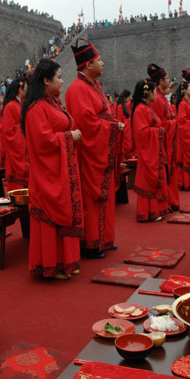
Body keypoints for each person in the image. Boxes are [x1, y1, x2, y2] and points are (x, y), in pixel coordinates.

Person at [21, 59, 83, 279]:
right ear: (47, 81)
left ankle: (66, 261)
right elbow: (42, 141)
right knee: (51, 214)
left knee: (63, 210)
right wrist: (69, 136)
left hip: (61, 168)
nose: (62, 81)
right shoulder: (37, 108)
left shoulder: (52, 103)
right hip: (48, 172)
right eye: (59, 77)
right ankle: (52, 263)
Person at [65, 38, 124, 258]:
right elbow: (87, 124)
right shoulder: (77, 89)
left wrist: (112, 124)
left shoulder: (94, 86)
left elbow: (103, 114)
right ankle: (92, 241)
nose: (103, 63)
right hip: (90, 152)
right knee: (92, 197)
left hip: (102, 147)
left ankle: (105, 238)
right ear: (88, 65)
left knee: (105, 198)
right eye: (99, 60)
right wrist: (111, 127)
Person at [130, 80, 167, 221]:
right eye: (155, 91)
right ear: (149, 92)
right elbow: (141, 133)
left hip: (155, 150)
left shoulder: (147, 107)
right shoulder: (140, 109)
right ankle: (149, 212)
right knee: (147, 180)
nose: (157, 94)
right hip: (148, 152)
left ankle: (157, 209)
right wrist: (159, 132)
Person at [147, 63, 179, 211]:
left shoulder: (162, 98)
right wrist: (173, 122)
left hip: (168, 140)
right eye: (166, 79)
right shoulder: (158, 100)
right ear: (160, 82)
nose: (169, 82)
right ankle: (167, 201)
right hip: (162, 142)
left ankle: (171, 200)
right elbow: (161, 123)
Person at [1, 77, 28, 192]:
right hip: (17, 153)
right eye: (25, 88)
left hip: (24, 151)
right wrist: (24, 128)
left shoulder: (19, 105)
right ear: (20, 90)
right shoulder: (11, 106)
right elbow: (8, 132)